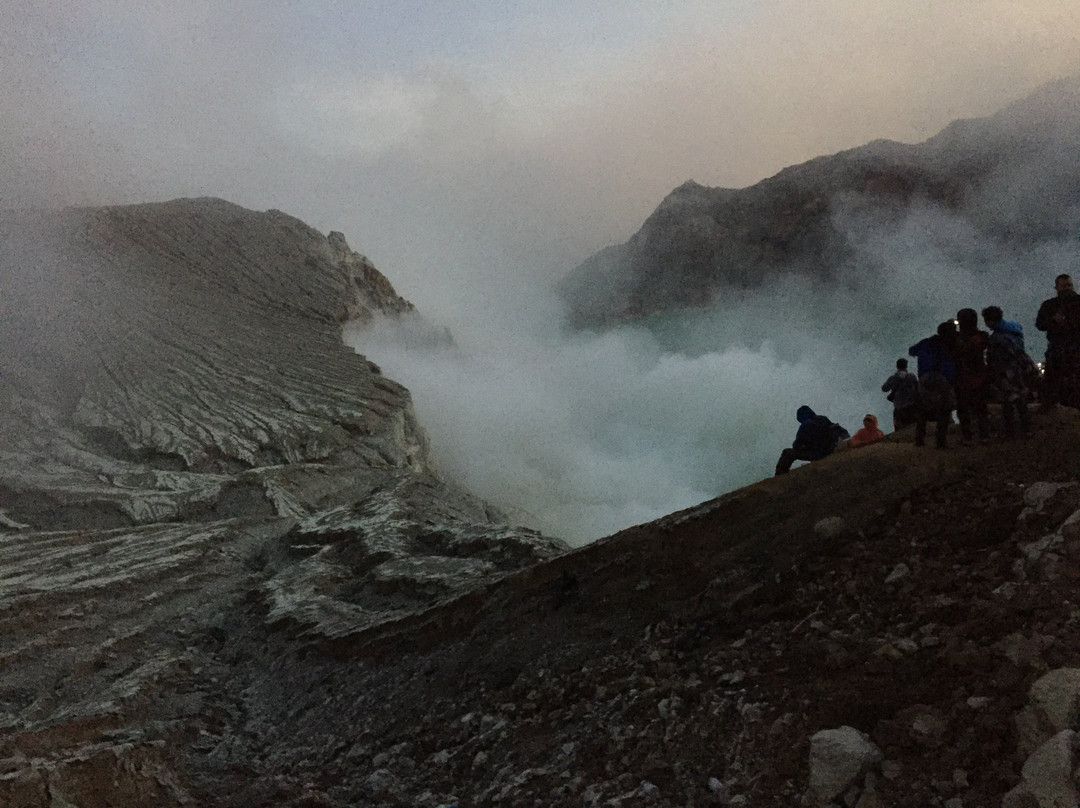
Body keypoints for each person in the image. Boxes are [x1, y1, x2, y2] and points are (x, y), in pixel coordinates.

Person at [983, 305, 1036, 438]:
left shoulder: (996, 338)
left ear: (989, 320)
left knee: (1008, 402)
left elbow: (993, 358)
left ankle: (1010, 432)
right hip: (1019, 370)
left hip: (1005, 372)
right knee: (1021, 400)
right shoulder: (1014, 330)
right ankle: (1027, 429)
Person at [909, 321, 958, 449]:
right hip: (943, 378)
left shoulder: (927, 342)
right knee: (945, 409)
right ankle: (940, 441)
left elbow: (912, 351)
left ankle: (919, 439)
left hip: (925, 377)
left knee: (923, 408)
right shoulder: (950, 345)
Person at [1035, 274, 1080, 408]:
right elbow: (1040, 325)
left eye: (1069, 285)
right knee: (1055, 381)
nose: (1068, 288)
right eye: (1064, 286)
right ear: (1057, 288)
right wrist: (1053, 320)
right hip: (1058, 349)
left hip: (1075, 349)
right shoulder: (1050, 305)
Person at [774, 405, 849, 475]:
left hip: (821, 453)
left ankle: (779, 476)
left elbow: (796, 445)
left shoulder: (806, 424)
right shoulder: (823, 419)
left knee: (788, 452)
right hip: (832, 449)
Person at [953, 308, 991, 444]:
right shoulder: (983, 336)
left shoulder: (957, 339)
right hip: (980, 376)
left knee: (963, 409)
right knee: (981, 408)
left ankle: (967, 436)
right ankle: (984, 435)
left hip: (962, 378)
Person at [881, 358, 920, 431]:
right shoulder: (912, 377)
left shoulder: (893, 378)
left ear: (897, 366)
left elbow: (884, 388)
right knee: (912, 427)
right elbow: (918, 388)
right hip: (911, 406)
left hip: (898, 406)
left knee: (899, 428)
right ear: (906, 366)